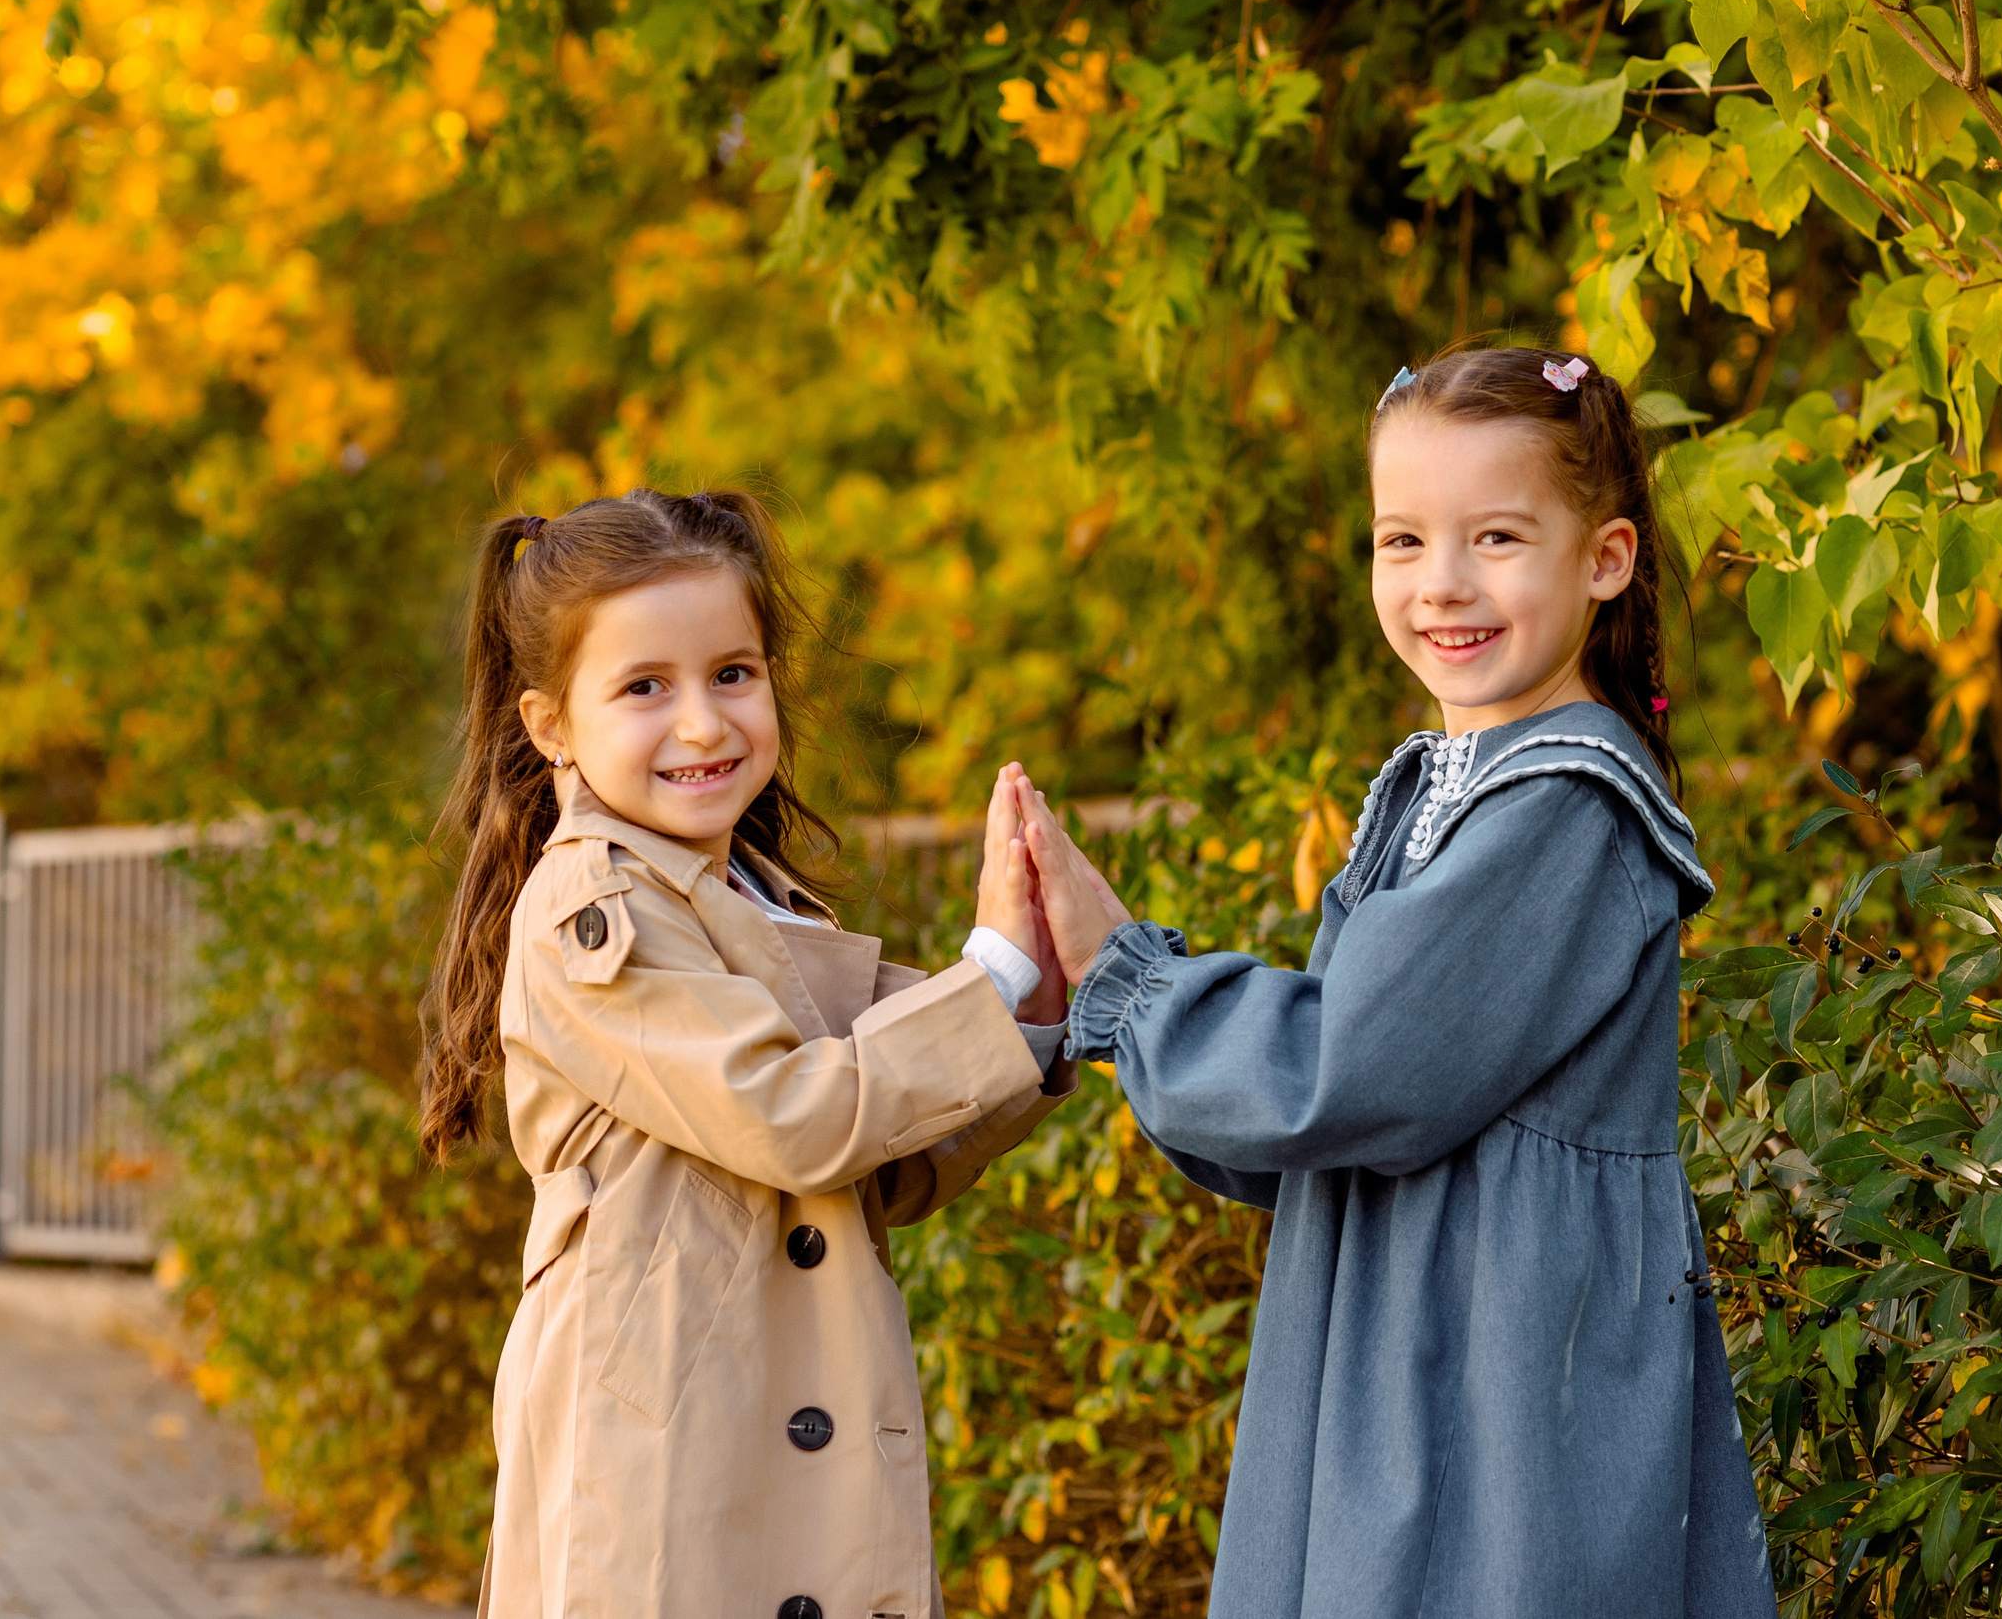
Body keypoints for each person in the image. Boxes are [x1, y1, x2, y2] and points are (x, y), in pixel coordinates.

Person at [1013, 349, 1776, 1617]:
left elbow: (1342, 1073)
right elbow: (1316, 1131)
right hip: (1400, 1330)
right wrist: (1123, 1013)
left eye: (1495, 536)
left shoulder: (1566, 804)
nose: (1443, 584)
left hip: (1498, 1381)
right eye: (1402, 539)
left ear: (1604, 558)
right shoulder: (1439, 784)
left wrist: (1128, 977)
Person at [419, 488, 1074, 1619]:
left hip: (773, 1427)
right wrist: (991, 970)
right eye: (643, 687)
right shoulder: (591, 902)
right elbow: (794, 1111)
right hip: (665, 1454)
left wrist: (1033, 1005)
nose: (704, 723)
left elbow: (883, 1161)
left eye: (733, 671)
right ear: (549, 725)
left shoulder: (759, 901)